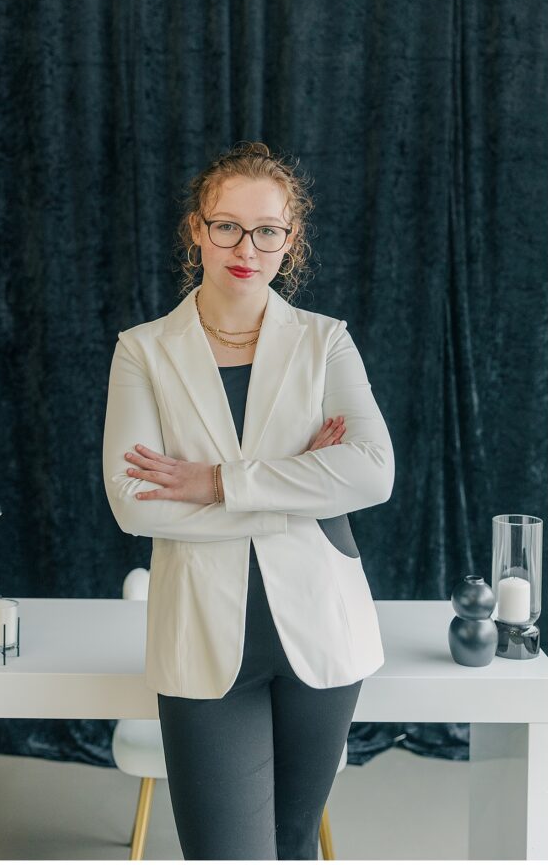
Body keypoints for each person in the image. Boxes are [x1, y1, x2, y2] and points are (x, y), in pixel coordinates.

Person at [102, 140, 395, 859]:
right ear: (197, 229)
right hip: (200, 636)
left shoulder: (326, 342)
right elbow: (135, 504)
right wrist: (306, 482)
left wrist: (215, 483)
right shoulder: (144, 351)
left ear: (289, 240)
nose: (246, 248)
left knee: (293, 847)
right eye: (227, 226)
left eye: (267, 231)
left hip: (322, 629)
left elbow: (373, 474)